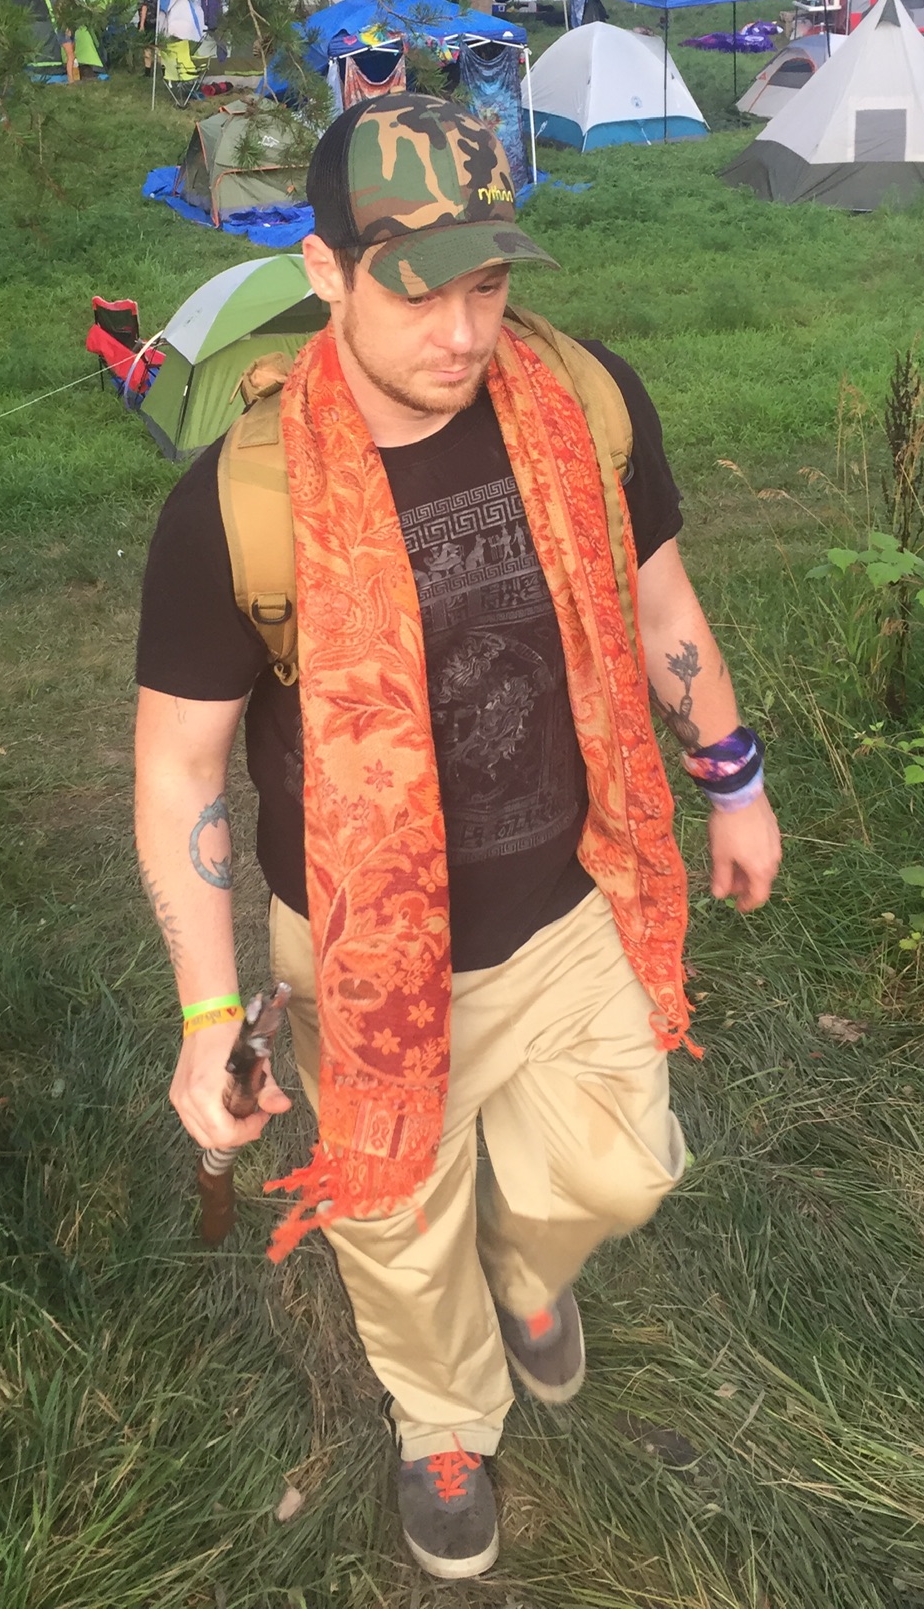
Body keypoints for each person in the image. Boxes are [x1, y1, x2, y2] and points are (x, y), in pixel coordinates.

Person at [133, 94, 781, 1581]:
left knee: (619, 1173)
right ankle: (442, 1419)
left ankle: (531, 1266)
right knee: (394, 1225)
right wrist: (209, 1013)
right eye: (419, 289)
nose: (465, 330)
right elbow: (179, 773)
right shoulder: (237, 506)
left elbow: (661, 606)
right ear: (324, 271)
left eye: (488, 283)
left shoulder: (583, 403)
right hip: (361, 954)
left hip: (568, 899)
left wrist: (732, 780)